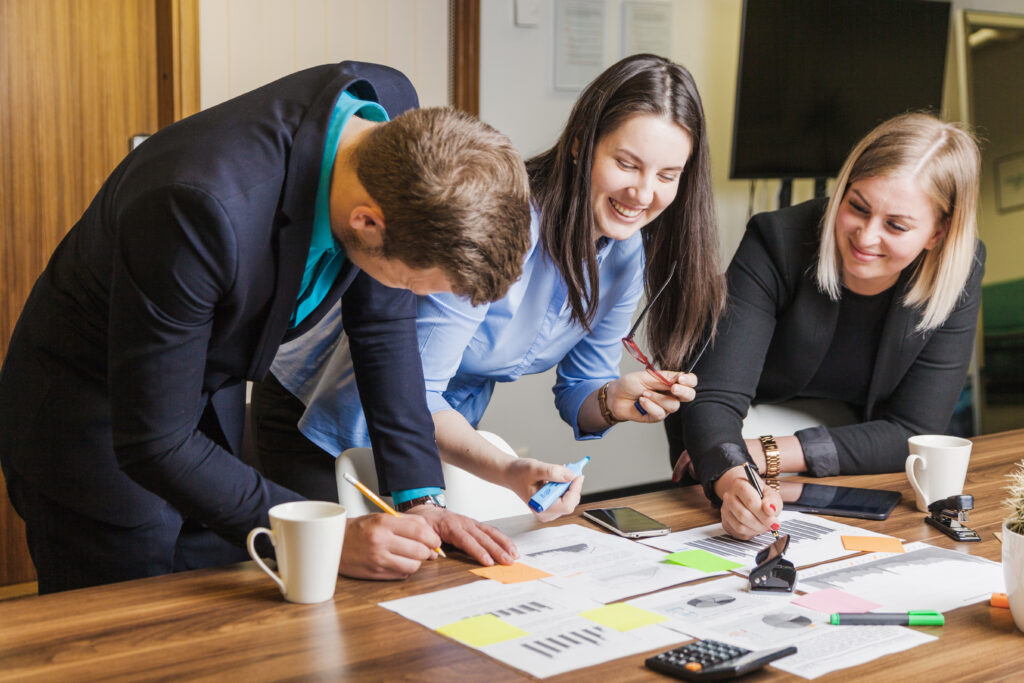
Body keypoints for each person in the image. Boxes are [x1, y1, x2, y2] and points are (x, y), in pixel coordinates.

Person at [0, 61, 532, 593]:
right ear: (366, 222)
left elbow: (382, 327)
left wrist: (420, 498)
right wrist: (327, 533)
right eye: (417, 284)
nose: (415, 299)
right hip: (90, 416)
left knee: (225, 606)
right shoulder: (196, 204)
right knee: (130, 633)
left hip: (206, 402)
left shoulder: (390, 125)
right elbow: (156, 441)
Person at [253, 53, 725, 523]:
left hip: (437, 440)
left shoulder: (624, 254)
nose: (643, 195)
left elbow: (581, 390)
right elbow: (415, 391)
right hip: (327, 422)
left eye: (667, 176)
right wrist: (506, 469)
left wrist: (614, 400)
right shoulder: (498, 225)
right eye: (627, 164)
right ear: (581, 144)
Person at [665, 112, 985, 540]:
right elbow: (714, 399)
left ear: (938, 234)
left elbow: (915, 432)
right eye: (857, 206)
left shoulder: (959, 269)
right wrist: (735, 477)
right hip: (736, 439)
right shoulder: (776, 239)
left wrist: (771, 451)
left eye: (896, 225)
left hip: (842, 458)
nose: (866, 237)